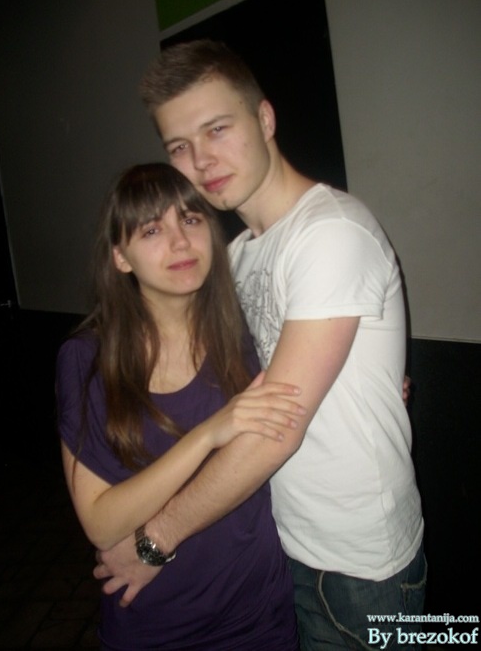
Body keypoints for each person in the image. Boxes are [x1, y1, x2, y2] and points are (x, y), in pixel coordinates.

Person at [95, 40, 426, 650]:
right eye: (179, 147)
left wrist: (154, 541)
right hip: (283, 548)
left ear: (265, 119)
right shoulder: (239, 256)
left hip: (358, 568)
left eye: (217, 129)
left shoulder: (330, 233)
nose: (201, 160)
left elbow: (279, 427)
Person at [56, 162, 303, 650]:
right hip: (154, 627)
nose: (180, 241)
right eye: (152, 230)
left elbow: (294, 407)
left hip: (260, 616)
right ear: (120, 257)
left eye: (190, 220)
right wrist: (208, 434)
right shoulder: (87, 359)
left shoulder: (246, 332)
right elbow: (101, 524)